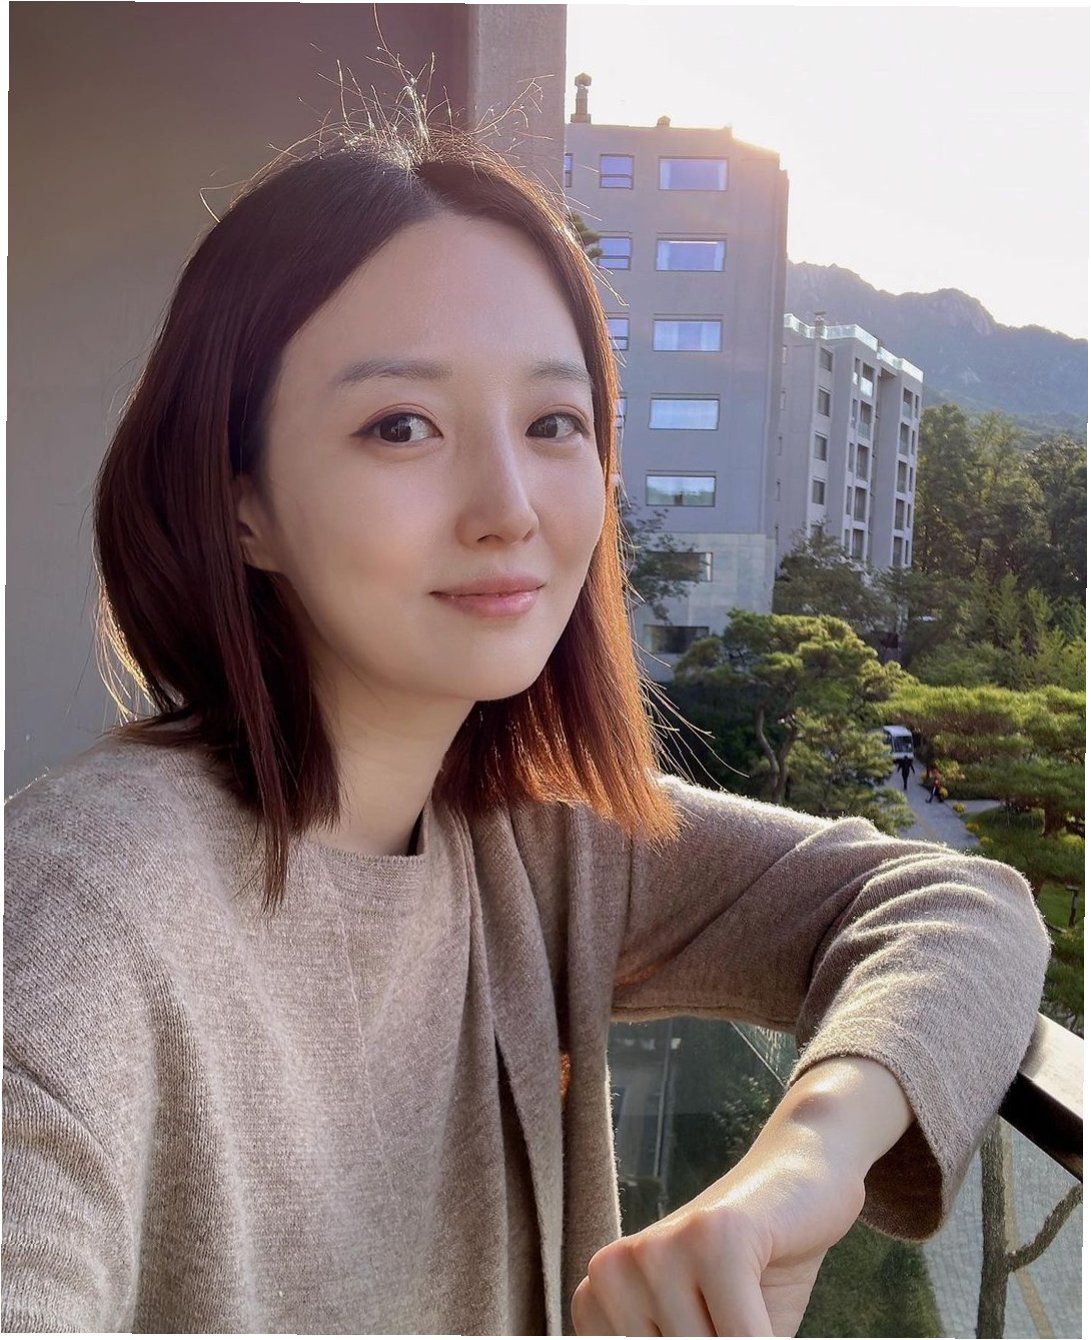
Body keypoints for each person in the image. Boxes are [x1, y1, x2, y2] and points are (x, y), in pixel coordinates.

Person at [3, 118, 1050, 1337]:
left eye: (553, 422)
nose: (507, 508)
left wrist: (803, 1161)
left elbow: (957, 906)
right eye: (401, 424)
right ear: (243, 507)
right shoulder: (76, 913)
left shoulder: (530, 842)